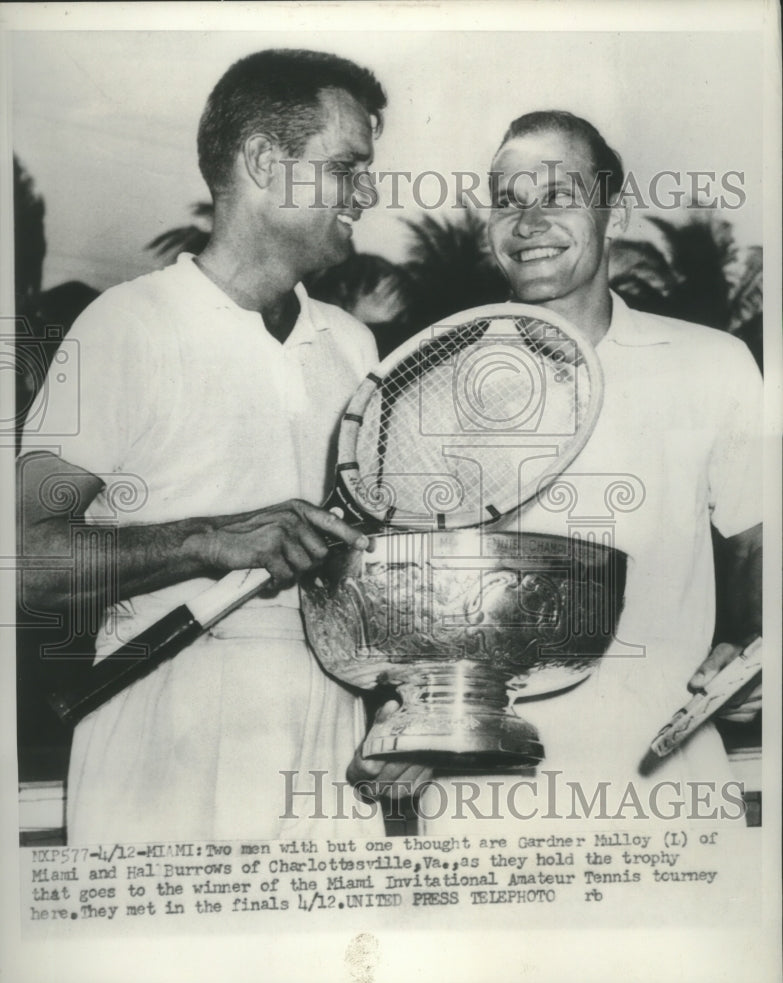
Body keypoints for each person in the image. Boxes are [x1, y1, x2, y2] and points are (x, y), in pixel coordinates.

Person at [17, 49, 395, 843]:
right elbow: (26, 561)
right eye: (347, 167)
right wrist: (212, 541)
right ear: (263, 161)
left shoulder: (356, 346)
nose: (368, 191)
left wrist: (402, 705)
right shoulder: (126, 326)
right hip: (161, 728)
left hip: (330, 740)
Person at [353, 110, 763, 829]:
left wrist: (754, 652)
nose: (528, 222)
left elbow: (760, 550)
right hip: (481, 795)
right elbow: (402, 608)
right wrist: (399, 719)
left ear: (615, 211)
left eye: (556, 196)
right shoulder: (427, 386)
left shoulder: (716, 364)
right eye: (507, 203)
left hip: (670, 788)